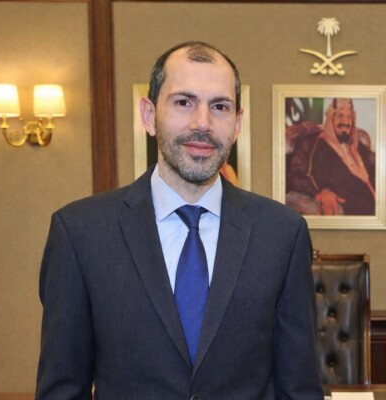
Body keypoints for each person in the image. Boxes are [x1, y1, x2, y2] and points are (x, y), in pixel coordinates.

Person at [36, 41, 323, 400]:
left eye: (219, 106)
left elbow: (300, 388)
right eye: (184, 102)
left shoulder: (283, 234)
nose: (202, 123)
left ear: (237, 124)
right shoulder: (80, 233)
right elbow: (62, 389)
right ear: (148, 115)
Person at [287, 98, 375, 216]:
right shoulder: (310, 143)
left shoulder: (356, 145)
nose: (346, 122)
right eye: (340, 115)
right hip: (346, 210)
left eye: (349, 117)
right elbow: (295, 175)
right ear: (330, 118)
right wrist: (319, 192)